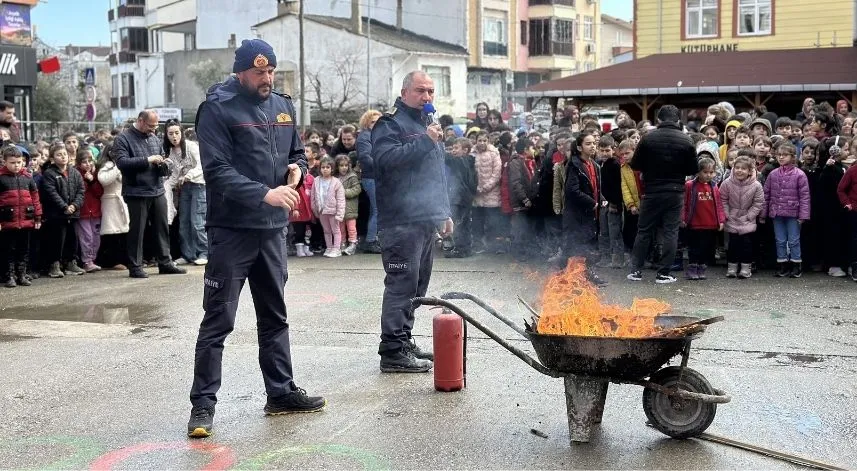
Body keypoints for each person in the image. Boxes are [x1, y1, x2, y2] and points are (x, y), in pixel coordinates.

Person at [188, 38, 325, 439]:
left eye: (271, 72)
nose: (267, 79)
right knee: (219, 320)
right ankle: (203, 405)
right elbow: (216, 171)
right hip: (231, 231)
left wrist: (296, 172)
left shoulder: (283, 106)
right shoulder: (216, 108)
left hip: (272, 232)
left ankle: (280, 393)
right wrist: (265, 192)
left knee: (275, 315)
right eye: (259, 72)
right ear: (240, 71)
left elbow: (296, 153)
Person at [372, 70, 452, 373]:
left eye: (431, 91)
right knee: (400, 287)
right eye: (421, 91)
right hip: (399, 221)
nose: (427, 97)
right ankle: (392, 351)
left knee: (417, 288)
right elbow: (385, 161)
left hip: (424, 219)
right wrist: (424, 141)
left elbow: (435, 175)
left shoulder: (428, 126)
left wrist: (443, 212)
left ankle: (403, 340)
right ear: (405, 92)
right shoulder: (389, 124)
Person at [627, 105, 699, 284]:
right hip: (675, 192)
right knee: (670, 232)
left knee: (643, 231)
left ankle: (636, 271)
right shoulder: (686, 140)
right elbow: (693, 169)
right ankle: (664, 273)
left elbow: (635, 164)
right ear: (677, 120)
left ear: (658, 120)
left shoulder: (647, 138)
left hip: (651, 191)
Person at [114, 110, 186, 279]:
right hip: (136, 191)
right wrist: (148, 160)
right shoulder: (123, 139)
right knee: (137, 231)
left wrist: (165, 164)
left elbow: (160, 159)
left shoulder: (154, 138)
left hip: (157, 189)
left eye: (155, 126)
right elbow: (122, 163)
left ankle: (165, 262)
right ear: (140, 121)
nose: (154, 130)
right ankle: (136, 266)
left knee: (162, 228)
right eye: (150, 126)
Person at [562, 132, 608, 286]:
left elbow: (595, 188)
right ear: (580, 147)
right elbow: (572, 190)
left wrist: (601, 199)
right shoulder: (574, 164)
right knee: (575, 247)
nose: (593, 146)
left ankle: (587, 274)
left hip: (591, 213)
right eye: (588, 144)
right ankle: (569, 277)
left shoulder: (594, 165)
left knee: (589, 246)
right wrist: (591, 202)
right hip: (577, 215)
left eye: (594, 143)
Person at [760, 142, 810, 278]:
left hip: (793, 213)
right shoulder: (773, 174)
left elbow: (805, 196)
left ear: (793, 157)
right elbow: (766, 194)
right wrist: (763, 214)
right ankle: (782, 264)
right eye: (779, 155)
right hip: (777, 213)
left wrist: (803, 215)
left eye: (785, 155)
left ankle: (796, 264)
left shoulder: (800, 174)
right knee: (780, 240)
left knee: (794, 240)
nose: (781, 157)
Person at [163, 119, 208, 266]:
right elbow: (175, 175)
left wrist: (189, 175)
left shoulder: (191, 146)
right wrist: (166, 184)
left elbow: (202, 165)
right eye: (170, 133)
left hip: (199, 185)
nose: (174, 136)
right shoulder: (171, 152)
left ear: (181, 133)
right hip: (184, 188)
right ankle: (187, 254)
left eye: (177, 133)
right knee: (184, 223)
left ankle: (204, 252)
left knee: (197, 221)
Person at [40, 143, 85, 278]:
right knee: (57, 240)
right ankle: (54, 265)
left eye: (64, 154)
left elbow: (81, 191)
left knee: (73, 239)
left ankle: (71, 263)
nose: (63, 157)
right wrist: (64, 207)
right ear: (52, 158)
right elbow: (51, 193)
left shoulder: (75, 172)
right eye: (59, 155)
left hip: (73, 213)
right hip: (57, 215)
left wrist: (74, 206)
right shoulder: (49, 173)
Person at [0, 145, 41, 287]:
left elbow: (35, 198)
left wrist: (37, 216)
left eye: (19, 162)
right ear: (4, 161)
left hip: (26, 220)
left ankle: (21, 274)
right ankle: (9, 276)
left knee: (24, 249)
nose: (16, 165)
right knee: (8, 250)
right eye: (12, 163)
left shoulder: (28, 177)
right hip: (7, 222)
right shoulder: (1, 178)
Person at [719, 155, 765, 279]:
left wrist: (750, 216)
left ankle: (746, 268)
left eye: (743, 169)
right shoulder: (726, 183)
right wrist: (727, 214)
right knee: (732, 244)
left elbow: (758, 203)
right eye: (737, 168)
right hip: (732, 217)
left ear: (750, 171)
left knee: (746, 244)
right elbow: (722, 200)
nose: (739, 170)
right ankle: (732, 267)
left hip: (747, 218)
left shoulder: (756, 185)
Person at [680, 157, 725, 280]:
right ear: (698, 172)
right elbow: (683, 203)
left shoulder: (714, 187)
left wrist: (721, 220)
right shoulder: (690, 185)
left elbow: (719, 205)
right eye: (705, 172)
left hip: (710, 224)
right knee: (694, 248)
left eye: (711, 172)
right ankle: (692, 269)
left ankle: (701, 268)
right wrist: (683, 218)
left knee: (706, 248)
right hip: (695, 223)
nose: (708, 175)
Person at [95, 145, 130, 271]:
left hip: (120, 199)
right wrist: (117, 168)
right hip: (110, 200)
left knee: (122, 232)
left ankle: (123, 259)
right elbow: (103, 180)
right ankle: (111, 261)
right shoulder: (106, 166)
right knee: (111, 232)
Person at [444, 137, 477, 258]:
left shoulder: (461, 161)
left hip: (459, 199)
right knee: (465, 223)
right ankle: (466, 248)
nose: (453, 150)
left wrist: (434, 143)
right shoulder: (469, 161)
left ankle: (460, 249)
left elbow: (445, 157)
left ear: (465, 150)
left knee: (459, 223)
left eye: (456, 148)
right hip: (466, 198)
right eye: (452, 148)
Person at [471, 131, 502, 254]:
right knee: (477, 221)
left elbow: (497, 173)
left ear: (488, 141)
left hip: (491, 193)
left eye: (485, 140)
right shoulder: (472, 154)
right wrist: (476, 187)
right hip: (477, 193)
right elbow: (470, 173)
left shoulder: (494, 153)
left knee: (492, 220)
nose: (482, 143)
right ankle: (478, 244)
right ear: (476, 141)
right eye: (480, 140)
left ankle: (493, 245)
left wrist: (487, 186)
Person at [597, 135, 624, 269]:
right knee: (604, 231)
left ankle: (617, 259)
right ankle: (605, 257)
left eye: (607, 150)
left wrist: (615, 203)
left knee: (615, 232)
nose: (604, 153)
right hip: (604, 203)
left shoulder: (614, 165)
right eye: (602, 150)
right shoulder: (601, 164)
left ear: (613, 149)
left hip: (613, 204)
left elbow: (617, 186)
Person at [356, 110, 382, 253]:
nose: (376, 124)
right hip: (371, 177)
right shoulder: (364, 137)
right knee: (377, 210)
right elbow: (366, 158)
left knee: (375, 210)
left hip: (376, 177)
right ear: (366, 123)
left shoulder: (375, 135)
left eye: (378, 121)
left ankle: (373, 239)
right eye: (373, 121)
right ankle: (371, 240)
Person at [75, 148, 104, 273]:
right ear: (79, 164)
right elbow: (80, 191)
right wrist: (87, 180)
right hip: (83, 212)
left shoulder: (96, 174)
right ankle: (87, 261)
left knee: (96, 236)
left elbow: (99, 192)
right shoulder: (77, 174)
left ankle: (92, 259)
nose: (87, 164)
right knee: (86, 237)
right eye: (84, 162)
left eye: (90, 161)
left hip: (95, 210)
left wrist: (92, 180)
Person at [310, 156, 345, 258]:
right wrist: (314, 209)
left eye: (327, 167)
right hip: (321, 211)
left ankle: (336, 248)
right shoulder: (316, 180)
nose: (325, 169)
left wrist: (340, 213)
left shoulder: (336, 182)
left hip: (333, 211)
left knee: (336, 230)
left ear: (332, 169)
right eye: (323, 167)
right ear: (320, 168)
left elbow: (341, 199)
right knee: (326, 230)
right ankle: (329, 247)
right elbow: (313, 196)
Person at [334, 154, 360, 255]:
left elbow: (357, 189)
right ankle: (342, 243)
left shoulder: (352, 176)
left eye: (346, 165)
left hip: (350, 207)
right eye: (341, 165)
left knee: (351, 227)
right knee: (340, 227)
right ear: (337, 166)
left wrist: (343, 192)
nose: (344, 168)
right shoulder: (335, 177)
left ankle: (353, 243)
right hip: (339, 208)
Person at [837, 154, 857, 281]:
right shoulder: (852, 170)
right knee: (855, 239)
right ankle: (855, 266)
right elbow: (841, 189)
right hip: (855, 211)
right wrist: (847, 204)